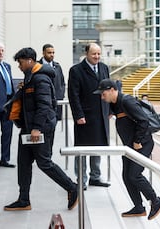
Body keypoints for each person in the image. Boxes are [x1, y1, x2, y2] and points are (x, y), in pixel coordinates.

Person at [4, 47, 78, 211]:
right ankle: (24, 199)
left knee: (44, 162)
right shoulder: (30, 78)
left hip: (39, 129)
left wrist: (37, 128)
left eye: (21, 63)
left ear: (30, 61)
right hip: (28, 128)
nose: (19, 66)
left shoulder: (41, 79)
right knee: (23, 163)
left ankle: (72, 187)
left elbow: (44, 106)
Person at [94, 78, 160, 220]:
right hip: (129, 145)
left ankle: (156, 201)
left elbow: (143, 121)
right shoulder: (115, 103)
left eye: (103, 93)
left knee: (134, 175)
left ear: (113, 90)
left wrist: (138, 140)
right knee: (126, 176)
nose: (102, 97)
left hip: (142, 144)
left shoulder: (127, 101)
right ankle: (139, 207)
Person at [68, 43, 110, 189]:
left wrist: (110, 111)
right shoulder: (76, 70)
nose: (97, 57)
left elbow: (109, 90)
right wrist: (78, 115)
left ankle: (95, 177)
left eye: (99, 54)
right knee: (82, 148)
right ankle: (81, 179)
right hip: (85, 116)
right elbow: (73, 95)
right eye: (94, 54)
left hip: (101, 114)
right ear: (86, 53)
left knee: (98, 147)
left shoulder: (104, 68)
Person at [38, 44, 65, 120]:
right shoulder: (37, 66)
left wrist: (60, 95)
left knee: (54, 124)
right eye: (49, 53)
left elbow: (62, 82)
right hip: (43, 103)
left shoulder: (57, 66)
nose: (52, 55)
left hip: (56, 101)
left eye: (53, 53)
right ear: (43, 53)